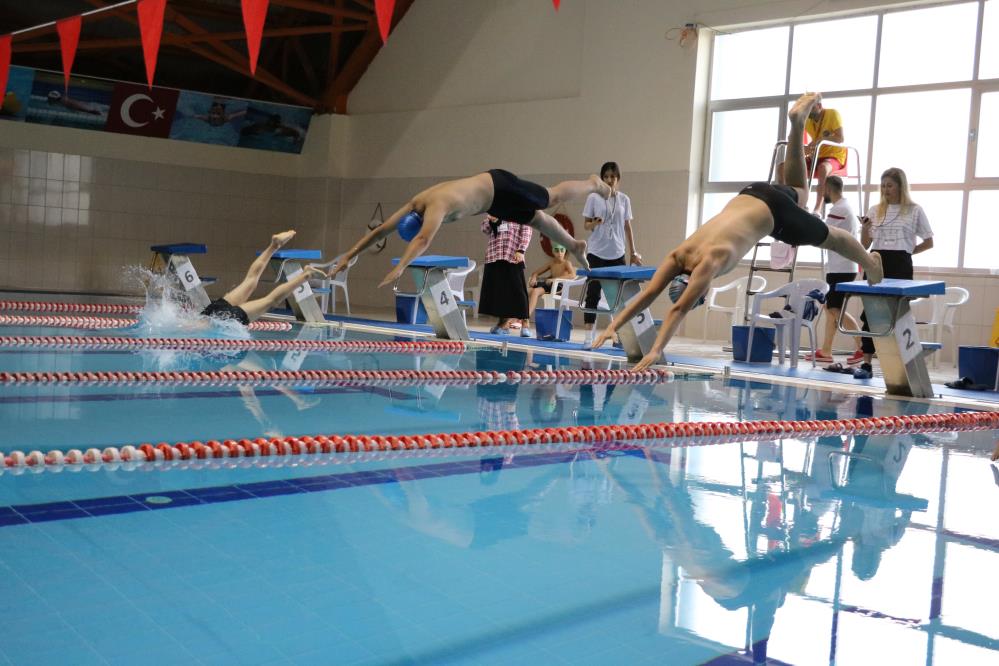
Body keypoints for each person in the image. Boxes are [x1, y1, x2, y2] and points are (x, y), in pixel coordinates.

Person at [590, 93, 883, 371]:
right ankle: (796, 125)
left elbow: (677, 309)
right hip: (752, 192)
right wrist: (611, 327)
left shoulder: (708, 264)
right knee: (799, 191)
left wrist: (655, 349)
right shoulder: (679, 253)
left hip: (774, 215)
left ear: (698, 288)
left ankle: (870, 263)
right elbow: (649, 294)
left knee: (829, 237)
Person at [328, 170, 611, 287]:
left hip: (499, 185)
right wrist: (349, 254)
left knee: (551, 197)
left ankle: (592, 184)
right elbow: (380, 231)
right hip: (492, 202)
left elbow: (424, 240)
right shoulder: (415, 204)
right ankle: (574, 245)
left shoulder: (435, 206)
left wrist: (401, 266)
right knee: (536, 220)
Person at [841, 167, 934, 379]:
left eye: (890, 185)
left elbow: (929, 242)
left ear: (901, 186)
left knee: (898, 314)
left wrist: (908, 251)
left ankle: (904, 365)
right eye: (883, 186)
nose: (885, 190)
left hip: (900, 263)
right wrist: (865, 228)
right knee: (870, 314)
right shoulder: (875, 210)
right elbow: (865, 244)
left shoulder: (914, 210)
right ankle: (866, 364)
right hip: (876, 261)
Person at [200, 230, 324, 325]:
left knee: (271, 300)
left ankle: (306, 275)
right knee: (250, 280)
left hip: (223, 321)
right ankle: (274, 245)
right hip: (210, 311)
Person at [581, 162, 642, 345]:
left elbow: (627, 227)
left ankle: (620, 336)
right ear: (602, 179)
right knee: (593, 294)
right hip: (596, 252)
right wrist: (595, 223)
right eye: (606, 177)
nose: (609, 180)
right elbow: (586, 224)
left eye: (612, 177)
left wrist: (633, 252)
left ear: (618, 179)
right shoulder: (593, 197)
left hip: (617, 252)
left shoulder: (624, 199)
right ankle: (588, 337)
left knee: (619, 297)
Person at [809, 175, 864, 365]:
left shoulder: (840, 209)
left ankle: (861, 346)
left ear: (827, 189)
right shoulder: (842, 208)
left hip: (842, 267)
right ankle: (826, 350)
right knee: (830, 308)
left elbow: (821, 232)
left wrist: (814, 214)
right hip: (840, 266)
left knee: (834, 309)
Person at [778, 98, 845, 213]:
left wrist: (821, 139)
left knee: (822, 168)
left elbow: (840, 138)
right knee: (782, 167)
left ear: (819, 106)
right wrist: (803, 148)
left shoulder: (832, 114)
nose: (809, 112)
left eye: (811, 108)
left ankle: (817, 209)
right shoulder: (807, 120)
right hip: (816, 156)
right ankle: (790, 203)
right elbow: (797, 137)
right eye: (807, 109)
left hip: (834, 157)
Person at [478, 215, 532, 336]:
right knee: (500, 293)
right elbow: (485, 229)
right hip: (495, 255)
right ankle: (503, 325)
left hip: (513, 256)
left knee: (518, 291)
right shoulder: (496, 209)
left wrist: (521, 250)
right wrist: (493, 221)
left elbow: (527, 230)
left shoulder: (520, 210)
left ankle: (525, 324)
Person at [527, 243, 576, 322]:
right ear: (553, 252)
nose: (559, 253)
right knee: (526, 291)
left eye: (562, 250)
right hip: (549, 286)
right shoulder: (551, 263)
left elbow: (573, 275)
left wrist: (554, 279)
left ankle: (526, 316)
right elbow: (536, 272)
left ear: (565, 252)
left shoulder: (567, 263)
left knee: (535, 291)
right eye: (557, 251)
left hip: (559, 287)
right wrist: (533, 278)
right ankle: (516, 318)